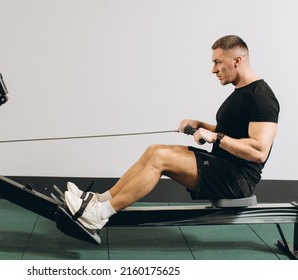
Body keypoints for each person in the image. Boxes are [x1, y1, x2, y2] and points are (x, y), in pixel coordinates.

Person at [64, 35, 280, 231]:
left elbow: (258, 151)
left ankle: (100, 214)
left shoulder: (261, 98)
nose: (213, 69)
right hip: (222, 165)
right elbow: (231, 131)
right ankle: (99, 201)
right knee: (154, 150)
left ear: (238, 61)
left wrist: (215, 137)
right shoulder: (241, 92)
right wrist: (201, 125)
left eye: (218, 62)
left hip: (237, 180)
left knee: (160, 158)